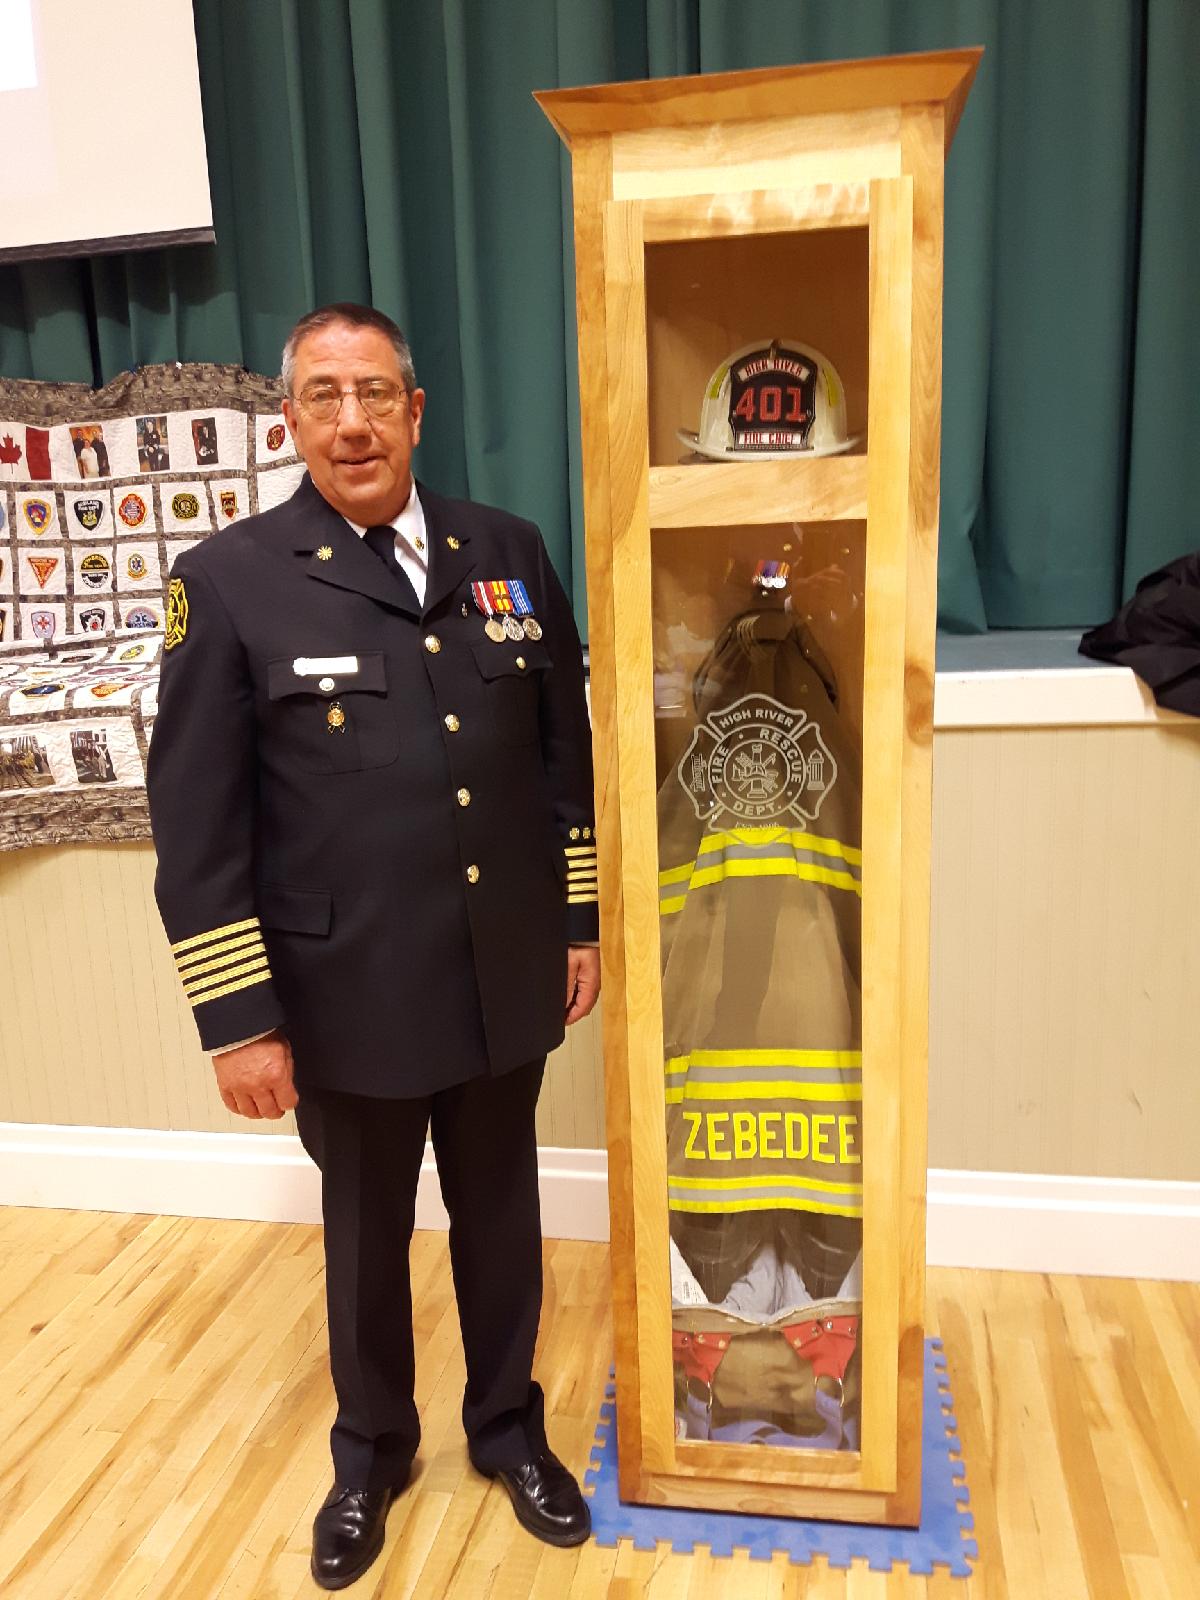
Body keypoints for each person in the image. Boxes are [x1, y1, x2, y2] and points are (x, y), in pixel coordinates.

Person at [145, 302, 601, 1590]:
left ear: (417, 409)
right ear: (290, 419)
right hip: (344, 989)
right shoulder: (229, 581)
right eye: (324, 395)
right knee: (363, 1238)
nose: (354, 420)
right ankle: (371, 1454)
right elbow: (198, 823)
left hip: (502, 967)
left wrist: (578, 919)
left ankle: (509, 1430)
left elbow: (563, 756)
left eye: (378, 392)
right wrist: (238, 1019)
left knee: (503, 1219)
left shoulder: (506, 551)